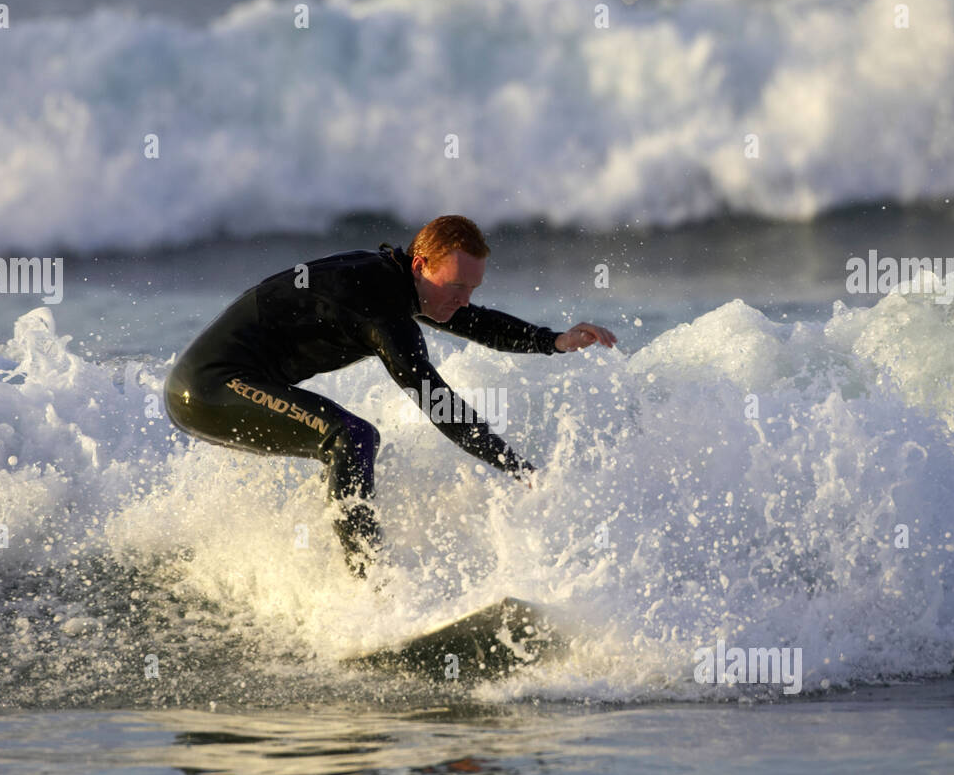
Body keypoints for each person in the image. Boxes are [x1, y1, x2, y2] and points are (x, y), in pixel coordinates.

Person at [163, 215, 617, 578]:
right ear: (421, 266)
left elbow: (476, 323)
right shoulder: (379, 305)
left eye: (472, 289)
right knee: (350, 437)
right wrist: (520, 470)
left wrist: (552, 340)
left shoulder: (402, 283)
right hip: (207, 388)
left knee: (352, 439)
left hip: (226, 387)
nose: (463, 300)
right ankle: (368, 584)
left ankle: (336, 578)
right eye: (456, 287)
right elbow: (439, 404)